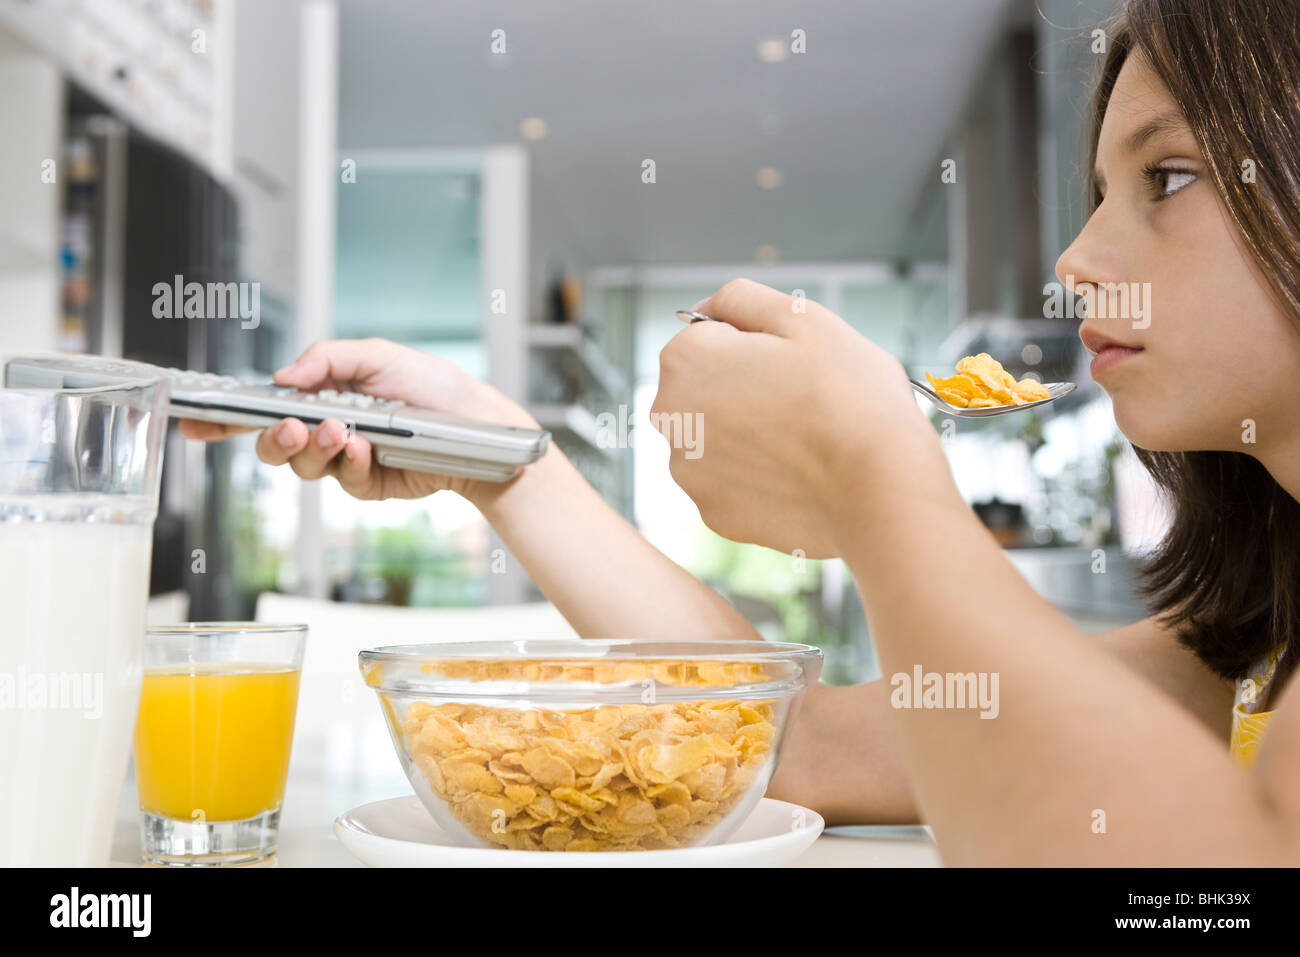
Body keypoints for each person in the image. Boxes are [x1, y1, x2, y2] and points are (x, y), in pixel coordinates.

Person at [184, 0, 1300, 863]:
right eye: (1099, 192)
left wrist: (875, 473)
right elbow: (790, 744)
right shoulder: (1254, 640)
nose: (1077, 259)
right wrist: (508, 463)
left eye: (1166, 176)